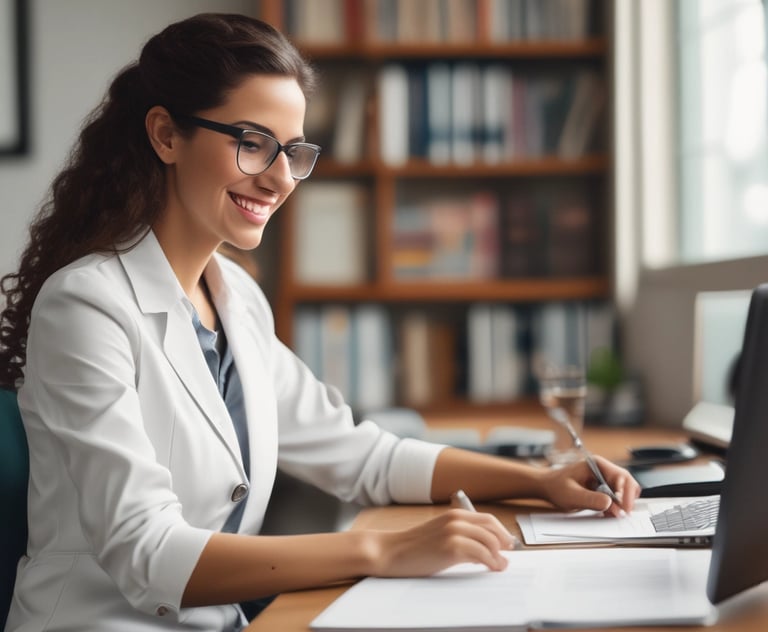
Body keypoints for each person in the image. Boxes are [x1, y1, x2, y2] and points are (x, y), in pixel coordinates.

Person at [0, 13, 640, 632]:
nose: (280, 178)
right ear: (166, 135)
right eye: (252, 143)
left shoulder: (237, 299)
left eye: (293, 151)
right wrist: (384, 552)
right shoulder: (84, 306)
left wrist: (541, 482)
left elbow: (363, 457)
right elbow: (150, 553)